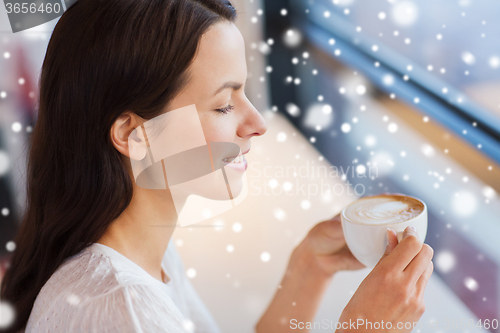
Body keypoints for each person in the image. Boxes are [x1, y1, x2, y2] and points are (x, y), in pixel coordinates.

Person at [0, 0, 434, 332]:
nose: (257, 124)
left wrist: (308, 270)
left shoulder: (145, 253)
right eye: (225, 105)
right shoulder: (119, 308)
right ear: (135, 135)